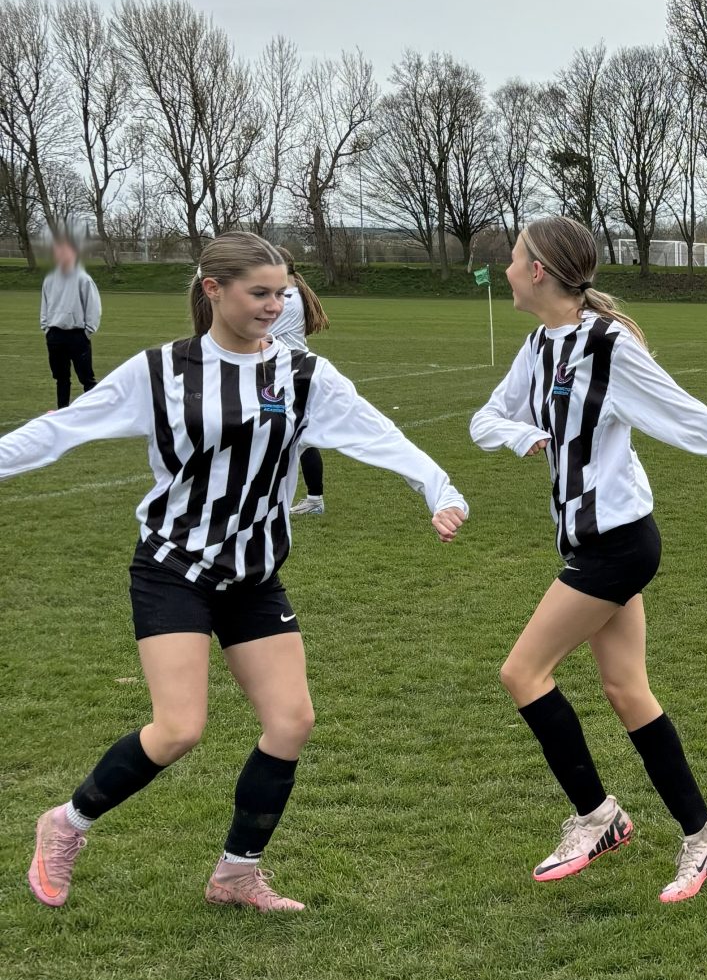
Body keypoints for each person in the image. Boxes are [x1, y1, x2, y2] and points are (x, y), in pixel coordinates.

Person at [9, 232, 466, 916]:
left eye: (281, 293)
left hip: (254, 576)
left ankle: (236, 874)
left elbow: (379, 435)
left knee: (291, 721)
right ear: (213, 289)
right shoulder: (160, 371)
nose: (274, 305)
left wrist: (439, 490)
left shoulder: (303, 375)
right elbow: (62, 429)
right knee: (178, 729)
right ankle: (65, 824)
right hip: (173, 569)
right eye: (260, 293)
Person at [473, 215, 707, 900]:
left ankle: (597, 816)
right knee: (626, 690)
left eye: (514, 258)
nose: (508, 269)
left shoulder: (606, 347)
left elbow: (689, 418)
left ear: (538, 271)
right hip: (587, 540)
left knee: (523, 672)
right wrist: (519, 435)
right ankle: (705, 836)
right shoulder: (538, 345)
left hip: (619, 545)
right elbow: (484, 418)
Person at [270, 264, 331, 516]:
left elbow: (259, 333)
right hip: (291, 370)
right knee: (299, 438)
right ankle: (313, 499)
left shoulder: (287, 299)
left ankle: (309, 499)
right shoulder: (290, 294)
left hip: (289, 373)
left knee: (287, 437)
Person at [39, 236, 101, 408]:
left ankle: (93, 412)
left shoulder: (83, 279)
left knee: (87, 379)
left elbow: (93, 307)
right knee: (61, 378)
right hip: (55, 335)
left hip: (77, 335)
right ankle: (62, 412)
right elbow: (45, 304)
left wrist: (88, 331)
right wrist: (46, 328)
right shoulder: (49, 279)